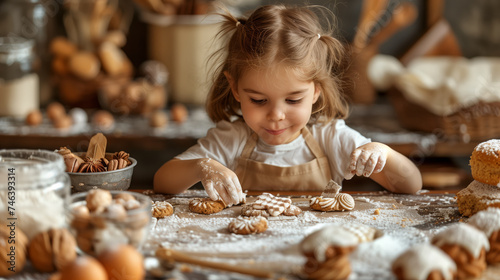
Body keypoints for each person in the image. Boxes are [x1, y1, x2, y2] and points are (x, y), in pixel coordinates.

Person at [154, 4, 422, 206]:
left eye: (293, 99)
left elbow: (411, 184)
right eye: (258, 100)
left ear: (316, 89)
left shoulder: (331, 138)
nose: (276, 115)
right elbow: (162, 182)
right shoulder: (230, 139)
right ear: (235, 88)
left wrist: (382, 153)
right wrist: (203, 166)